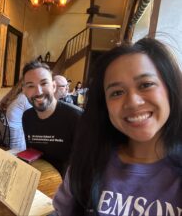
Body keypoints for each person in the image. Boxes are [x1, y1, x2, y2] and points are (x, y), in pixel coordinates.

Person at [53, 38, 182, 215]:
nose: (133, 102)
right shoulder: (87, 164)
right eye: (117, 92)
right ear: (104, 106)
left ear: (170, 89)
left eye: (146, 85)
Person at [22, 61, 83, 176]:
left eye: (44, 83)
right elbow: (33, 156)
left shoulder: (77, 117)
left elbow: (86, 165)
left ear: (54, 86)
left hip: (67, 188)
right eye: (31, 86)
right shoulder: (27, 117)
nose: (38, 92)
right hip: (39, 180)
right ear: (24, 90)